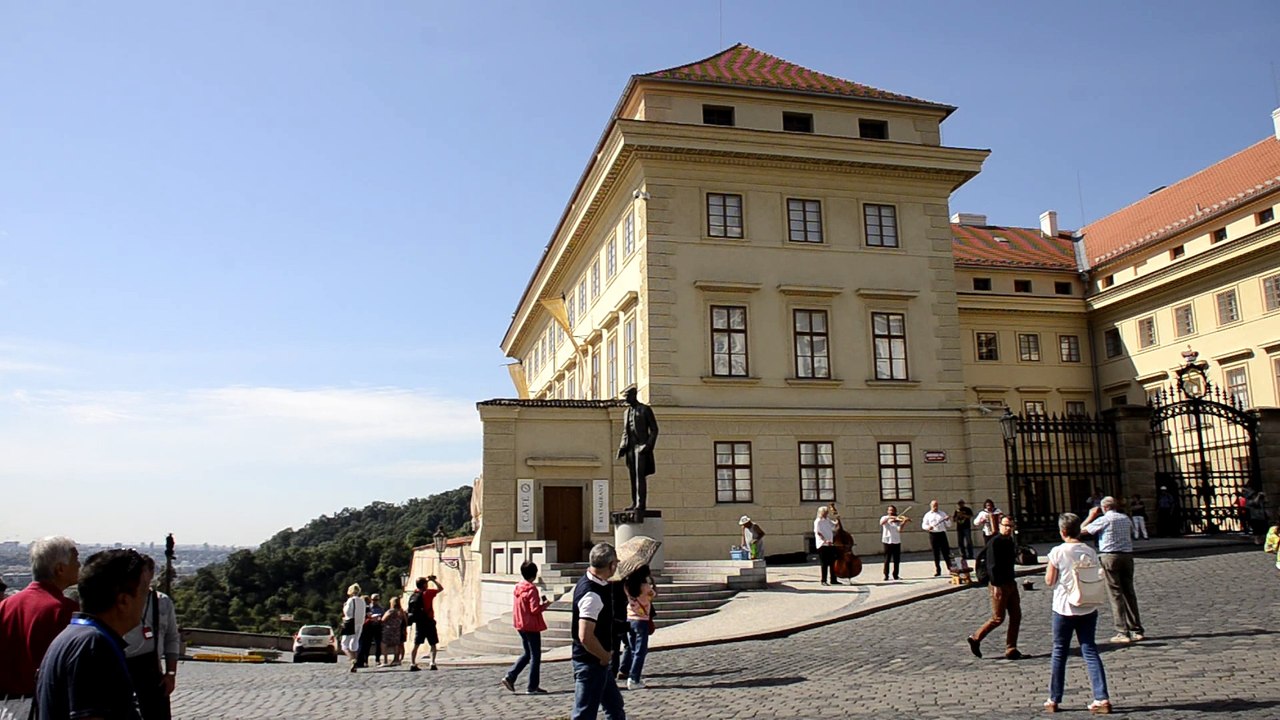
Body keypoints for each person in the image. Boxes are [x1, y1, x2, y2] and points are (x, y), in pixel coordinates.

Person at [36, 548, 151, 720]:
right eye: (144, 592)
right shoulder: (93, 646)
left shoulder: (73, 636)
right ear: (124, 601)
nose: (145, 600)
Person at [0, 536, 80, 716]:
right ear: (60, 569)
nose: (79, 566)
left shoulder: (5, 606)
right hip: (44, 706)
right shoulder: (64, 610)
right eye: (76, 560)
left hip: (6, 707)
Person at [1044, 513, 1112, 714]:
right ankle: (1101, 697)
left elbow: (1049, 580)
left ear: (1062, 531)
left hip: (1064, 607)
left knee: (1059, 652)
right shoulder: (1089, 551)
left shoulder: (1057, 552)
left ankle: (1054, 698)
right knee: (1090, 650)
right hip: (1087, 605)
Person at [571, 543, 625, 720]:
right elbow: (585, 636)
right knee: (584, 714)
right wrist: (604, 656)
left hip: (598, 663)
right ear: (611, 565)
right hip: (591, 663)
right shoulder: (592, 595)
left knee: (614, 706)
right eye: (615, 563)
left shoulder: (594, 583)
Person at [122, 556, 180, 720]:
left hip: (152, 671)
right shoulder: (122, 599)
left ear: (151, 573)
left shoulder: (162, 602)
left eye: (143, 571)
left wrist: (171, 673)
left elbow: (172, 638)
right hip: (123, 666)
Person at [1083, 498, 1144, 644]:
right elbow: (1131, 532)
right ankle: (1136, 629)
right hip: (1127, 555)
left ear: (1104, 508)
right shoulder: (1125, 518)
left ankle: (1122, 631)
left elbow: (1081, 530)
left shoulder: (1105, 520)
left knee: (1115, 593)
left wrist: (1091, 516)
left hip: (1110, 556)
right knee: (1129, 592)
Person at [967, 517, 1023, 660]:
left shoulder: (1010, 541)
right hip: (999, 584)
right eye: (1006, 525)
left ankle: (1011, 648)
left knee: (1016, 616)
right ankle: (975, 638)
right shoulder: (995, 542)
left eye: (1011, 526)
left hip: (1011, 582)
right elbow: (991, 565)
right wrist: (996, 584)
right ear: (1000, 526)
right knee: (998, 618)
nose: (1008, 528)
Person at [502, 561, 551, 695]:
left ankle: (511, 676)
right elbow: (534, 609)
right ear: (534, 574)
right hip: (531, 626)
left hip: (520, 624)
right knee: (535, 656)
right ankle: (532, 686)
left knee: (527, 653)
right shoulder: (532, 589)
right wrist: (546, 604)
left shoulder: (518, 586)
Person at [616, 387, 659, 513]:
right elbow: (625, 432)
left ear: (634, 395)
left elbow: (654, 429)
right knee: (633, 477)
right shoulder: (626, 413)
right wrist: (622, 447)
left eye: (627, 396)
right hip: (630, 448)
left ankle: (641, 504)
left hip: (641, 447)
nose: (625, 399)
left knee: (640, 476)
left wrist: (648, 445)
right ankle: (634, 502)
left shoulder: (645, 409)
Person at [618, 565, 655, 691]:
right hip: (641, 620)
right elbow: (652, 596)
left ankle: (631, 675)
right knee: (640, 651)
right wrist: (652, 583)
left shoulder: (627, 585)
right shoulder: (645, 587)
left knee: (633, 649)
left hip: (630, 619)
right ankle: (634, 678)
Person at [408, 575, 443, 671]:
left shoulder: (414, 594)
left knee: (416, 644)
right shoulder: (428, 593)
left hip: (419, 622)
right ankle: (432, 662)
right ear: (424, 585)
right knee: (433, 643)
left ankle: (412, 663)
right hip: (429, 621)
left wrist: (426, 580)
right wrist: (433, 580)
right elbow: (440, 588)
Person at [921, 500, 952, 577]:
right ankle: (938, 570)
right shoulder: (927, 515)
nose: (935, 507)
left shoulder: (942, 513)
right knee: (936, 553)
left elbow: (949, 525)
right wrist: (928, 527)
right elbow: (923, 525)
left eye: (936, 505)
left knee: (946, 552)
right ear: (931, 506)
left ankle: (950, 568)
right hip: (933, 534)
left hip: (942, 534)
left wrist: (948, 520)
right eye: (934, 505)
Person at [340, 584, 366, 673]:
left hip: (350, 623)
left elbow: (347, 612)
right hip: (360, 623)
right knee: (355, 642)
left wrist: (344, 607)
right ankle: (354, 660)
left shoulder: (350, 600)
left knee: (344, 644)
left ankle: (352, 659)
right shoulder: (362, 601)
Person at [879, 506, 908, 581]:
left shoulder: (897, 520)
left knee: (896, 560)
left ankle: (895, 575)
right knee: (887, 559)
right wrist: (890, 517)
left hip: (896, 541)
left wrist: (903, 522)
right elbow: (881, 523)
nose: (891, 511)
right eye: (890, 510)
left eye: (893, 510)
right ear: (888, 511)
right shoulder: (884, 517)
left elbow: (899, 530)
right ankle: (886, 575)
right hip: (887, 540)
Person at [379, 596, 407, 667]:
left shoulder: (390, 611)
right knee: (396, 645)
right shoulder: (401, 611)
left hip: (388, 630)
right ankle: (396, 660)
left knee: (384, 644)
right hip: (397, 630)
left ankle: (385, 661)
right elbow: (405, 621)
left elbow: (383, 619)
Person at [814, 506, 837, 586]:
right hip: (822, 545)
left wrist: (837, 520)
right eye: (825, 512)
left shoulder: (827, 520)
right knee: (824, 563)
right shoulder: (818, 521)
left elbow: (834, 526)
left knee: (832, 562)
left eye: (827, 512)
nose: (827, 514)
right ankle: (823, 580)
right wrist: (825, 540)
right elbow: (818, 533)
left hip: (830, 543)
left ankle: (833, 579)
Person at [367, 593, 385, 665]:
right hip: (369, 626)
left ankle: (377, 659)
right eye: (373, 600)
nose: (375, 601)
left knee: (378, 643)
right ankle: (366, 660)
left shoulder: (381, 608)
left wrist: (380, 618)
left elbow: (383, 616)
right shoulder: (368, 608)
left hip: (378, 626)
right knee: (367, 643)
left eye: (376, 600)